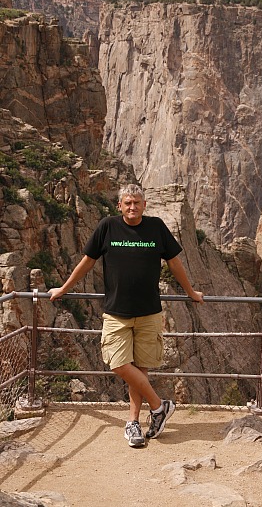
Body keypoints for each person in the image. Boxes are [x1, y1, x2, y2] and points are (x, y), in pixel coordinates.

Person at [48, 184, 204, 448]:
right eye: (127, 203)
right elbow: (87, 260)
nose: (132, 207)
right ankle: (159, 405)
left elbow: (174, 262)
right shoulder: (107, 227)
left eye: (137, 203)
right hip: (116, 313)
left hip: (149, 313)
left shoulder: (156, 228)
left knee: (139, 370)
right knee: (119, 364)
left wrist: (190, 292)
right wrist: (64, 288)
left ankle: (134, 424)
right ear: (119, 206)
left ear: (145, 205)